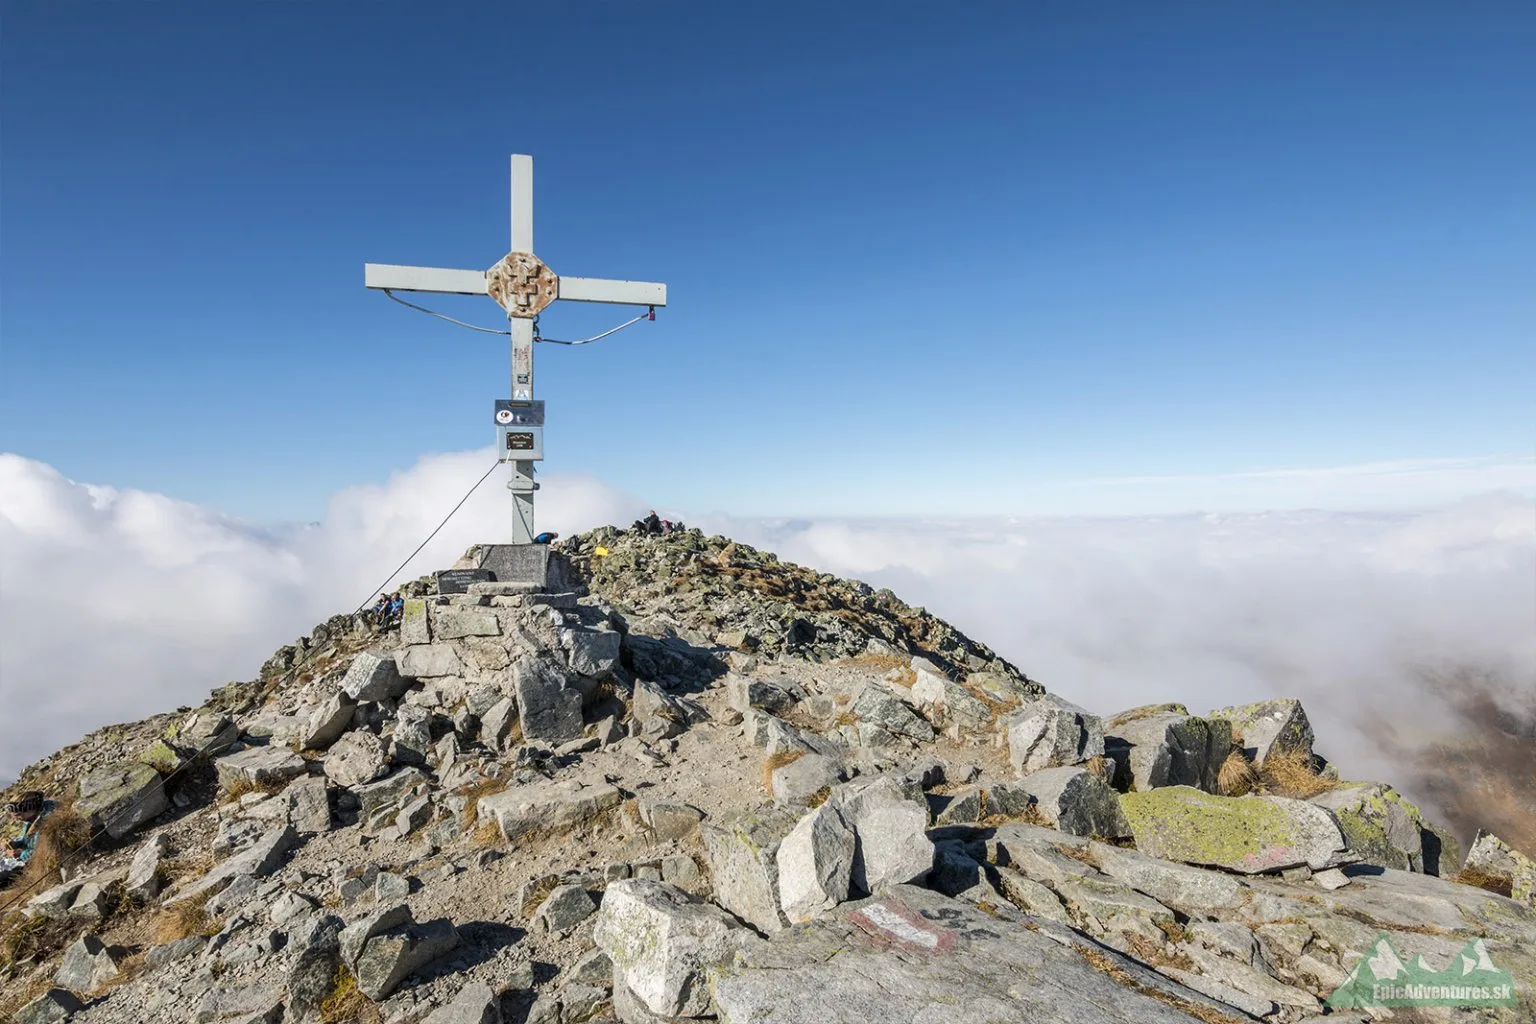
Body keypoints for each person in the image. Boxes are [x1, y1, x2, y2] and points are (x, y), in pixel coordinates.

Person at [1, 791, 55, 881]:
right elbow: (26, 841)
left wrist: (20, 854)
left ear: (30, 808)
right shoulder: (33, 818)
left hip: (36, 867)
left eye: (18, 815)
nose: (16, 818)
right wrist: (14, 844)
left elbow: (40, 852)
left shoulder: (48, 821)